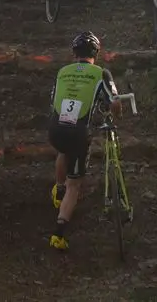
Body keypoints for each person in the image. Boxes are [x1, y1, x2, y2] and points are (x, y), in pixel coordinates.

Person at [47, 31, 122, 251]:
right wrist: (116, 113)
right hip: (79, 133)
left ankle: (58, 190)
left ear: (74, 53)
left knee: (63, 151)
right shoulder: (100, 73)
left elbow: (53, 99)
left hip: (56, 128)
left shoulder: (62, 72)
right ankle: (58, 234)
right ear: (96, 54)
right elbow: (114, 101)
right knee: (75, 184)